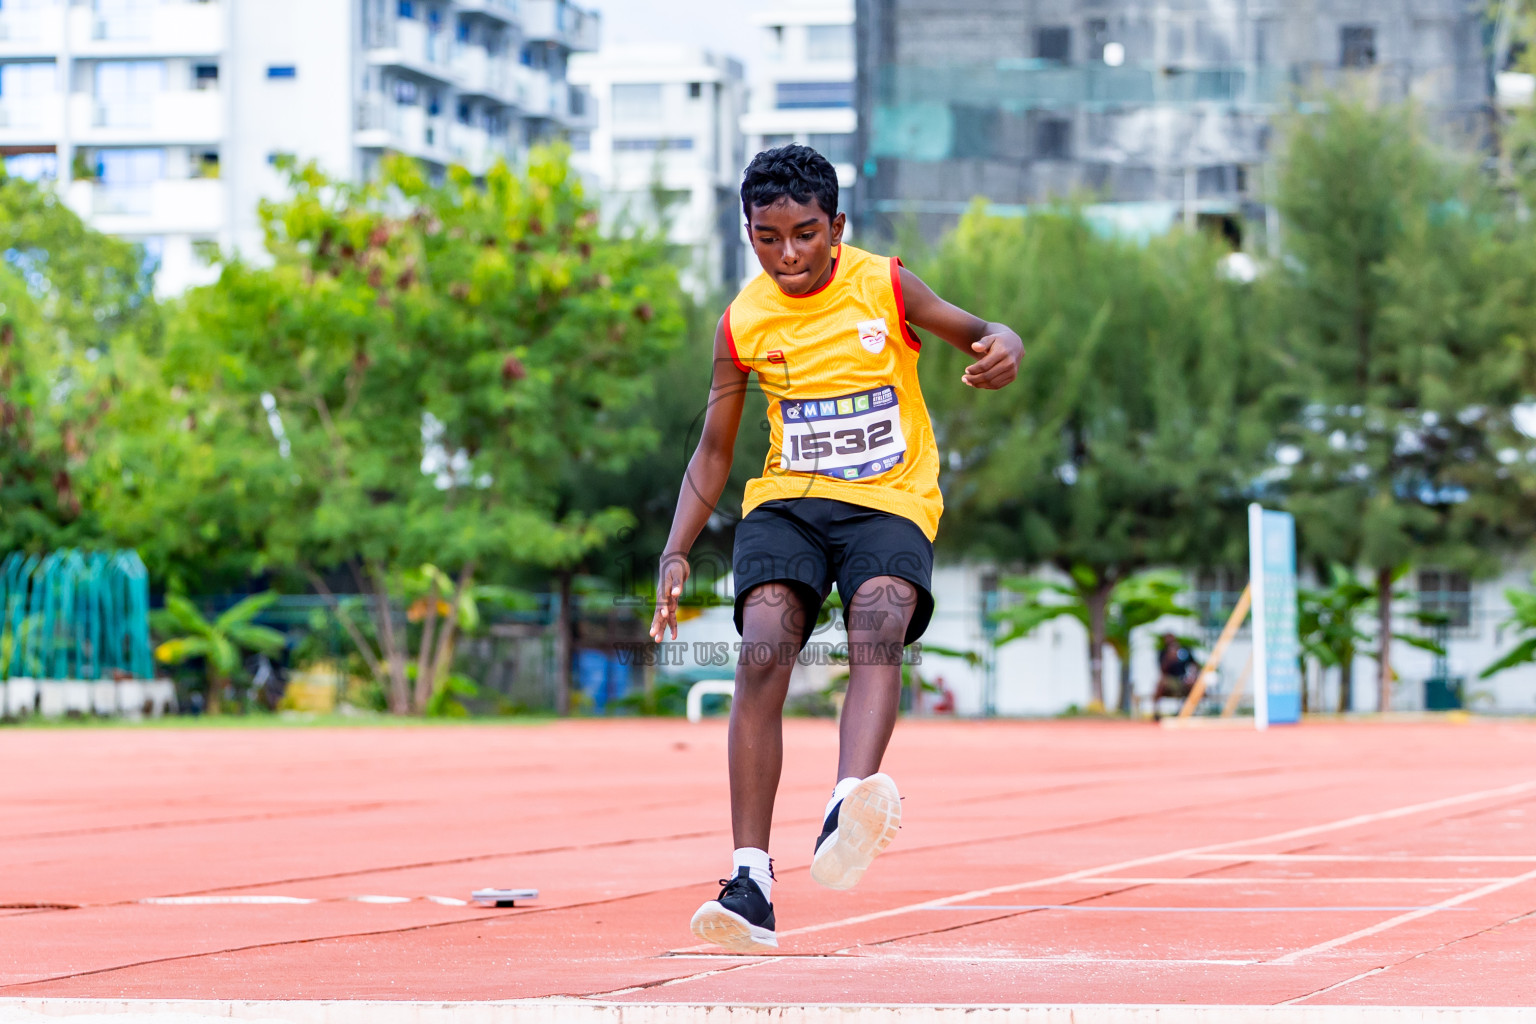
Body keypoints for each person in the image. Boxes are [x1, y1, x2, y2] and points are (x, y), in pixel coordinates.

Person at [648, 145, 1024, 952]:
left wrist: (1006, 346)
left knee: (878, 623)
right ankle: (750, 882)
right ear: (748, 233)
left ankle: (848, 802)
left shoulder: (883, 283)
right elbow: (714, 450)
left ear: (836, 227)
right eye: (767, 236)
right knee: (763, 646)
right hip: (788, 502)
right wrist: (676, 548)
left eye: (806, 234)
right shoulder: (743, 320)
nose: (788, 254)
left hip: (890, 501)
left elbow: (981, 330)